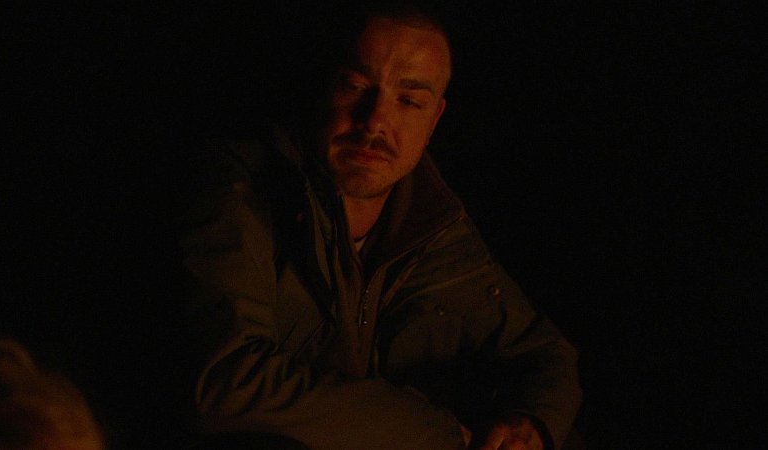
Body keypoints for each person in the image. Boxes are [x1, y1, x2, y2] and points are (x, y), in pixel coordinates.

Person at [177, 5, 581, 450]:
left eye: (409, 101)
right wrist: (436, 434)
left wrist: (531, 423)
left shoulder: (431, 223)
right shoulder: (245, 189)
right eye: (355, 86)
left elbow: (542, 351)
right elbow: (225, 384)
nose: (374, 121)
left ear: (434, 119)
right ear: (322, 85)